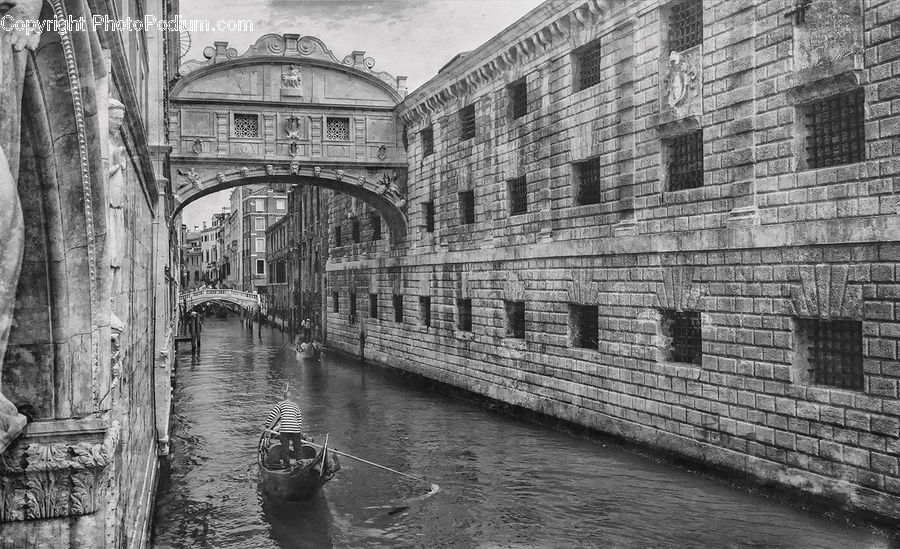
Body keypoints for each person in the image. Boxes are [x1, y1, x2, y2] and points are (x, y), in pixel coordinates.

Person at [264, 390, 306, 468]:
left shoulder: (281, 404)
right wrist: (297, 428)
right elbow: (299, 419)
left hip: (285, 430)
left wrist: (267, 427)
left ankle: (287, 466)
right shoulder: (296, 405)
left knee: (285, 448)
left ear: (284, 397)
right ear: (291, 398)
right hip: (295, 429)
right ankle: (300, 464)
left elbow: (272, 415)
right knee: (298, 448)